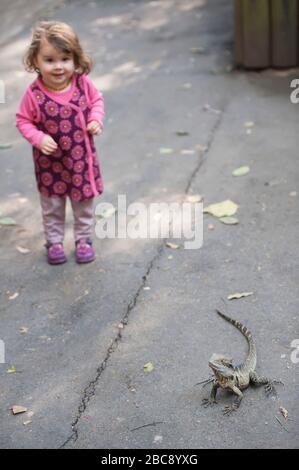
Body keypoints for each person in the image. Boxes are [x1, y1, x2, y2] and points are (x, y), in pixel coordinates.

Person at [16, 21, 105, 264]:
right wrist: (38, 137)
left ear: (75, 59)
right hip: (49, 164)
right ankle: (54, 242)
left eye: (65, 59)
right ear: (35, 61)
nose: (58, 66)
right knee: (52, 206)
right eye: (50, 60)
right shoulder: (34, 95)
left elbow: (97, 101)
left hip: (80, 161)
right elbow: (23, 120)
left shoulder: (82, 84)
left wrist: (95, 118)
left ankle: (84, 239)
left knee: (83, 203)